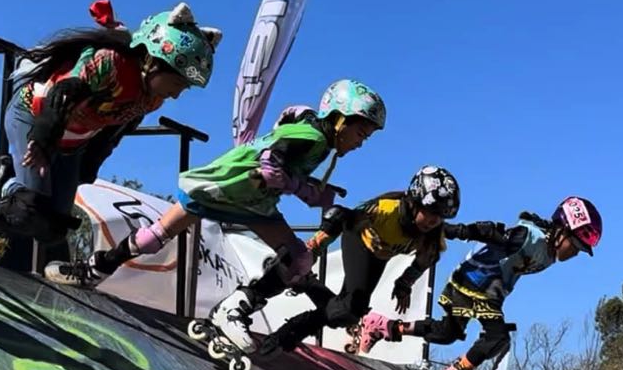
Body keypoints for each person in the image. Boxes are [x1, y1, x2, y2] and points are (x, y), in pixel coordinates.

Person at [43, 80, 387, 344]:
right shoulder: (313, 136)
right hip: (236, 191)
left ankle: (94, 270)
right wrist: (309, 192)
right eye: (360, 132)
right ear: (339, 119)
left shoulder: (315, 136)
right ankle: (234, 309)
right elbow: (270, 166)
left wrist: (313, 188)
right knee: (296, 259)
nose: (360, 142)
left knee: (158, 235)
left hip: (233, 192)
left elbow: (282, 159)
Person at [0, 0, 220, 248]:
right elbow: (61, 95)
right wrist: (42, 140)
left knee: (55, 228)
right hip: (35, 117)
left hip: (72, 142)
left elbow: (115, 130)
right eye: (176, 83)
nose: (176, 94)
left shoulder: (152, 99)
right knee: (29, 205)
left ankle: (4, 183)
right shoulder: (110, 63)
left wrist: (92, 162)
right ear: (152, 61)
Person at [359, 196, 603, 370]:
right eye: (576, 245)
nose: (574, 254)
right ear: (562, 230)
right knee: (497, 337)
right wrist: (454, 230)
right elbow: (492, 233)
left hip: (487, 291)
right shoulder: (530, 237)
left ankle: (383, 326)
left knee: (448, 333)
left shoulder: (549, 254)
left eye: (581, 251)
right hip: (474, 283)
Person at [257, 165, 503, 356]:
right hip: (359, 239)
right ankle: (287, 333)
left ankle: (307, 284)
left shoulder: (432, 236)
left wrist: (404, 284)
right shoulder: (387, 210)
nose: (432, 221)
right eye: (429, 213)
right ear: (413, 201)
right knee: (349, 309)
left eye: (440, 217)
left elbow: (424, 262)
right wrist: (310, 250)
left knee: (349, 313)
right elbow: (341, 218)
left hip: (379, 256)